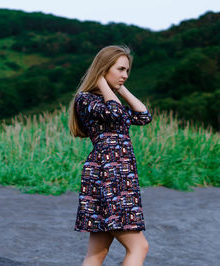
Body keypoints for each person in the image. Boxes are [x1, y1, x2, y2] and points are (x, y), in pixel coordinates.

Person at [68, 45, 153, 266]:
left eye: (128, 71)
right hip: (109, 177)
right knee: (139, 246)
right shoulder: (86, 99)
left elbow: (144, 116)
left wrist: (120, 88)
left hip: (116, 177)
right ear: (104, 69)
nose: (125, 75)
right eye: (120, 69)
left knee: (97, 253)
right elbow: (115, 113)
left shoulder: (109, 101)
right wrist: (103, 83)